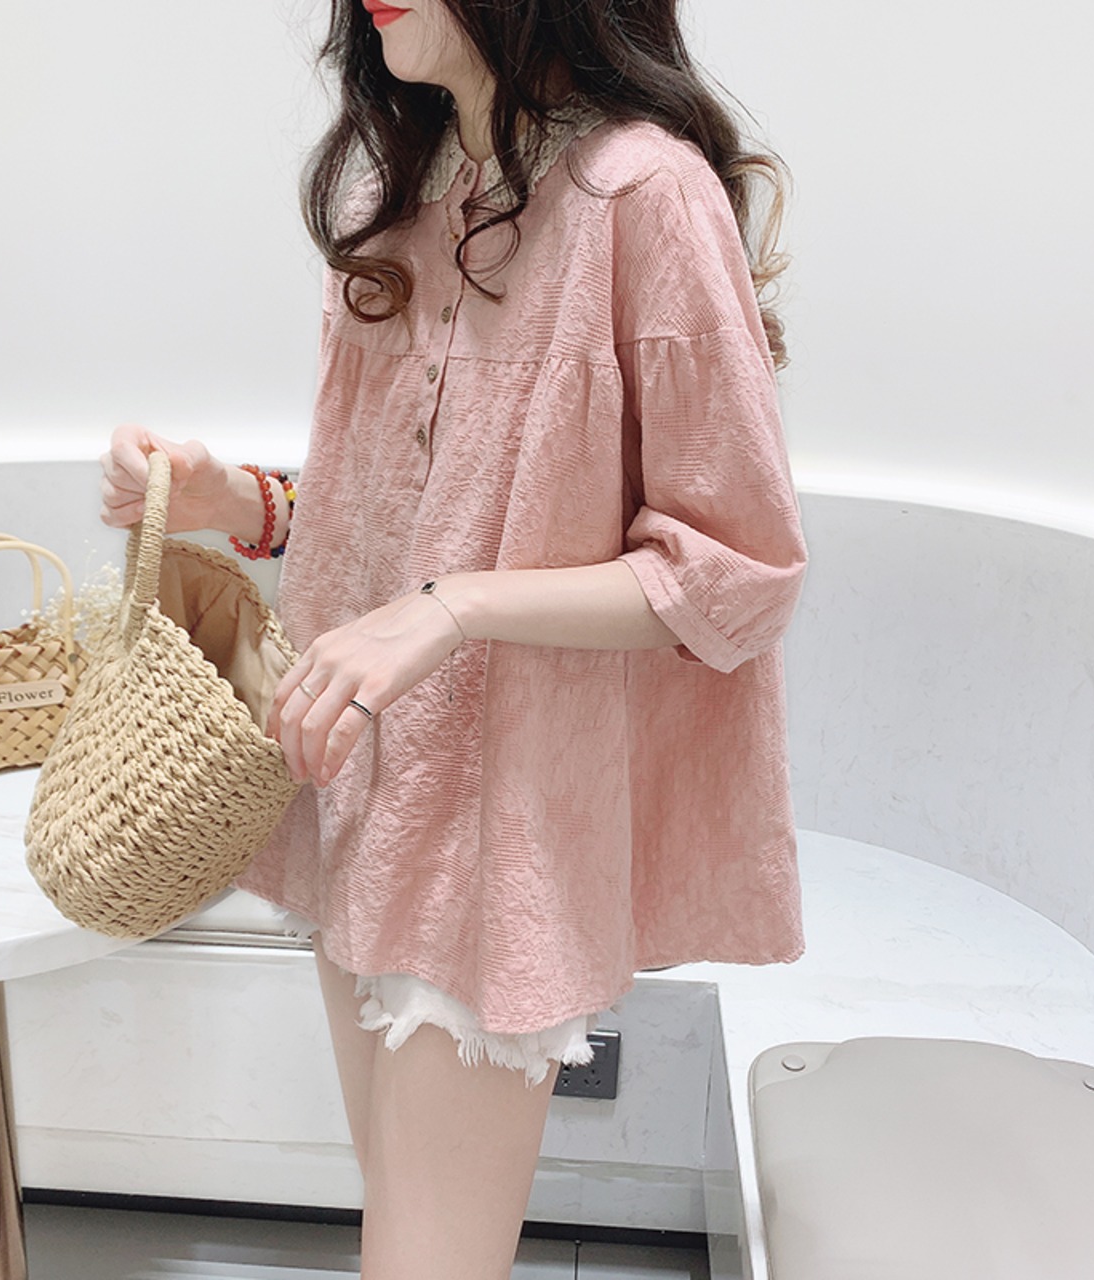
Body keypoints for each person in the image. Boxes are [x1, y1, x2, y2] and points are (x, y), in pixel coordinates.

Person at [99, 1, 808, 1275]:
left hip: (500, 825)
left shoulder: (643, 194)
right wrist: (235, 500)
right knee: (407, 1231)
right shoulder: (405, 186)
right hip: (355, 792)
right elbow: (398, 508)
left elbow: (734, 573)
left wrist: (454, 607)